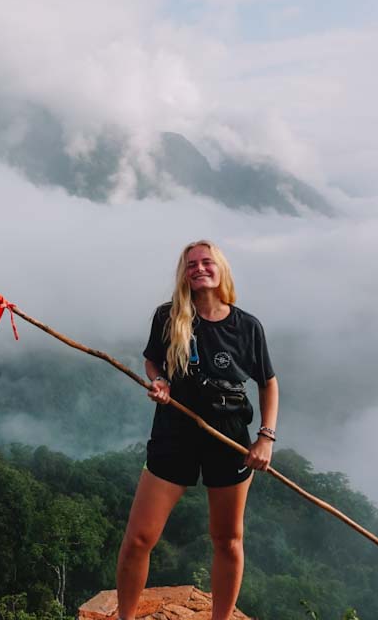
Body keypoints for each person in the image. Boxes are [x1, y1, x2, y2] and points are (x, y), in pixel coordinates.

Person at [115, 240, 279, 620]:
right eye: (191, 264)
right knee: (139, 539)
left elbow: (268, 383)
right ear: (183, 274)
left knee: (227, 540)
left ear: (221, 269)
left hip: (229, 438)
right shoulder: (169, 317)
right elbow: (152, 361)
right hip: (174, 432)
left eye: (207, 262)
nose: (199, 268)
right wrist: (160, 384)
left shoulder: (247, 327)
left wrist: (265, 438)